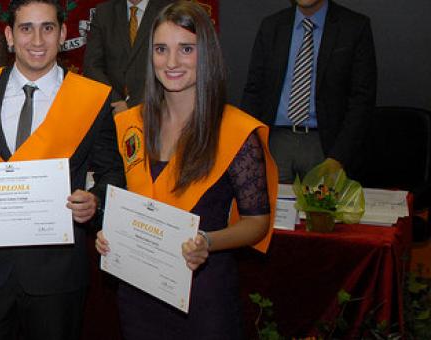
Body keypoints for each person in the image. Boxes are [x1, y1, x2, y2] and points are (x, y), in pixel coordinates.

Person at [0, 1, 123, 339]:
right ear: (9, 35)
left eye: (48, 28)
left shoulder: (93, 98)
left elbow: (113, 175)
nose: (37, 39)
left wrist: (95, 202)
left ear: (63, 34)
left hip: (57, 274)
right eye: (26, 28)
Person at [95, 2, 278, 338]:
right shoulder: (130, 124)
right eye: (161, 49)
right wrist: (109, 235)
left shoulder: (234, 131)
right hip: (138, 292)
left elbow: (257, 223)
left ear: (206, 53)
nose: (172, 62)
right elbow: (123, 199)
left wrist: (208, 240)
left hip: (203, 292)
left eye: (186, 49)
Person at [241, 0, 376, 183]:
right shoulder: (272, 26)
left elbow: (362, 100)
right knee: (272, 209)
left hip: (326, 145)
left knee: (321, 211)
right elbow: (254, 91)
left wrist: (339, 156)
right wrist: (251, 145)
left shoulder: (354, 27)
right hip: (275, 142)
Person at [83, 0, 173, 113]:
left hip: (156, 110)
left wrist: (133, 105)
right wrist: (115, 102)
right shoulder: (104, 12)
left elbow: (172, 66)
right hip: (111, 111)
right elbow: (92, 66)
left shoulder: (171, 9)